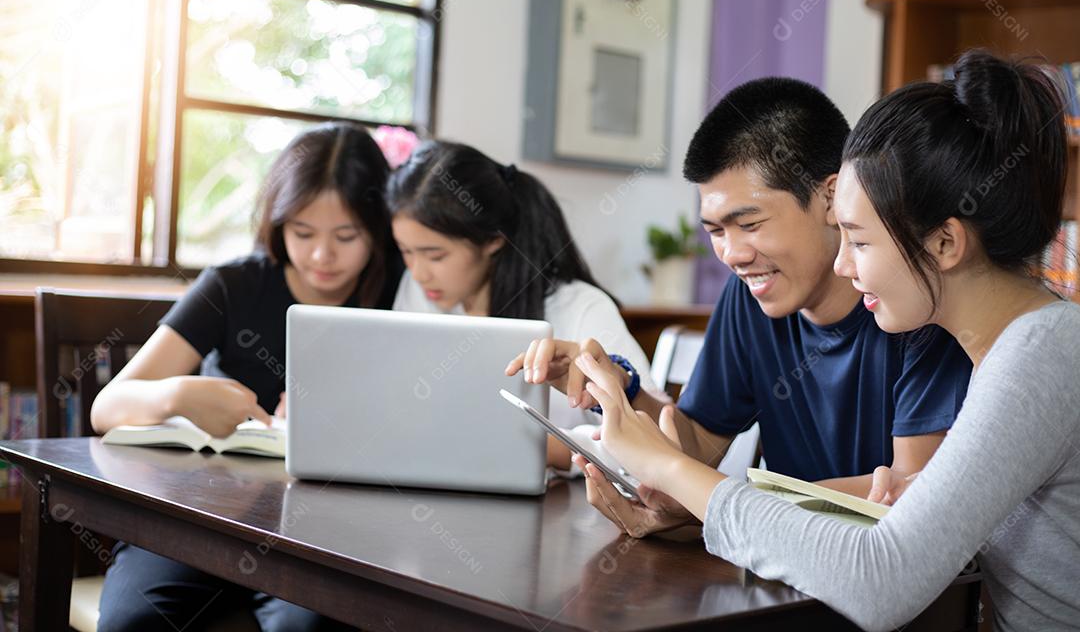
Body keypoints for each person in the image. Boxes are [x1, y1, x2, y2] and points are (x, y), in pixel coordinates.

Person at [577, 50, 1080, 630]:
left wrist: (669, 471)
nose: (842, 265)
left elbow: (882, 585)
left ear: (944, 244)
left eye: (860, 242)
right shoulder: (1013, 351)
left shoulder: (1040, 357)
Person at [507, 76, 972, 535]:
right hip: (781, 575)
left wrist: (715, 502)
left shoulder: (915, 304)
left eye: (748, 224)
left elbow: (906, 501)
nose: (731, 254)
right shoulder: (751, 296)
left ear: (832, 197)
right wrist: (617, 387)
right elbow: (697, 444)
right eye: (714, 231)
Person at [91, 122, 402, 631]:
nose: (323, 255)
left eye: (347, 236)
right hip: (198, 517)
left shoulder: (399, 293)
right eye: (302, 233)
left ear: (379, 229)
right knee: (134, 622)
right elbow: (106, 408)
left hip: (327, 531)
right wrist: (177, 395)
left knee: (310, 626)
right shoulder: (234, 285)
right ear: (277, 223)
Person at [386, 141, 666, 467]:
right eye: (406, 251)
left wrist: (537, 449)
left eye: (435, 255)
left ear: (493, 239)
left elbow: (655, 441)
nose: (418, 273)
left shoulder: (581, 308)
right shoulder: (418, 293)